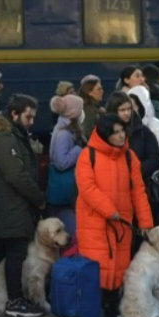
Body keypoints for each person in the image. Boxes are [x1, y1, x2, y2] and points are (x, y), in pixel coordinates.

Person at [75, 113, 154, 317]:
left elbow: (138, 190)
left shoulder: (129, 157)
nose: (121, 136)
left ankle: (112, 306)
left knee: (120, 265)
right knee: (97, 265)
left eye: (122, 131)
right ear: (105, 135)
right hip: (96, 221)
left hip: (121, 222)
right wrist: (109, 210)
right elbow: (86, 187)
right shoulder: (87, 155)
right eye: (115, 133)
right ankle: (95, 308)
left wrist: (145, 221)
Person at [0, 94, 47, 317]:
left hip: (6, 204)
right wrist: (38, 198)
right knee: (15, 253)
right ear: (14, 114)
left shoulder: (8, 136)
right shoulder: (5, 138)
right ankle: (15, 300)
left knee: (2, 254)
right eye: (28, 117)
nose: (31, 122)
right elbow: (16, 174)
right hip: (11, 205)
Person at [107, 91, 159, 195]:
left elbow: (155, 159)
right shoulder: (104, 132)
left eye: (129, 109)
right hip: (112, 188)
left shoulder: (143, 131)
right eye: (122, 110)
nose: (127, 113)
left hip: (139, 187)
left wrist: (132, 172)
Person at [48, 94, 86, 235]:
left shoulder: (66, 129)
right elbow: (61, 162)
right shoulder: (64, 133)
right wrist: (78, 150)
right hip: (64, 189)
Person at [129, 85, 159, 186]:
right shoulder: (126, 128)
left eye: (133, 106)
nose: (129, 111)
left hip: (154, 185)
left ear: (142, 105)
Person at [79, 74, 104, 139]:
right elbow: (88, 132)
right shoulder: (89, 110)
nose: (102, 91)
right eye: (99, 89)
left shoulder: (93, 108)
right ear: (89, 92)